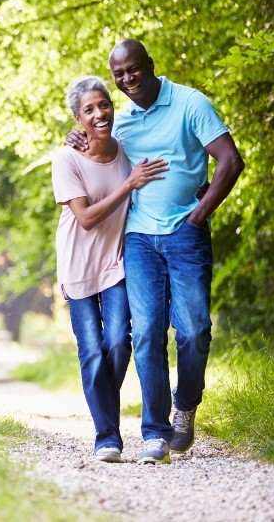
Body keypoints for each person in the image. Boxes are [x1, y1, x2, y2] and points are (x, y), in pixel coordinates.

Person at [67, 40, 245, 464]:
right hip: (139, 240)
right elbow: (95, 150)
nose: (128, 79)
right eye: (119, 75)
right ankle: (155, 433)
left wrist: (200, 214)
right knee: (146, 334)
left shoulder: (190, 103)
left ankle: (186, 405)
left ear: (149, 65)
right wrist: (76, 133)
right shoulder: (122, 121)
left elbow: (230, 161)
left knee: (195, 329)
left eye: (133, 70)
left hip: (186, 235)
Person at [52, 75, 168, 463]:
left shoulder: (126, 150)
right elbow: (84, 218)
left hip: (116, 262)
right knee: (91, 352)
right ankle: (107, 437)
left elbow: (162, 165)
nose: (100, 113)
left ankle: (102, 403)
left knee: (118, 341)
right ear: (77, 118)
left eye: (104, 105)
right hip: (77, 264)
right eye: (89, 110)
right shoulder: (66, 158)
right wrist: (128, 185)